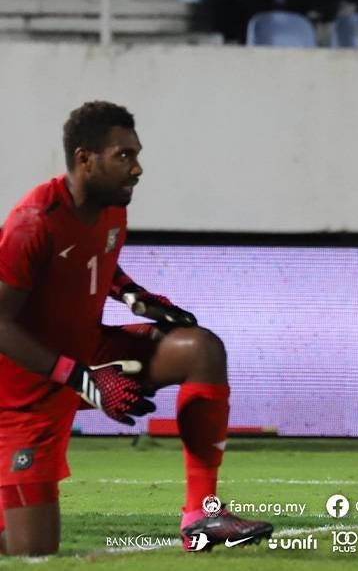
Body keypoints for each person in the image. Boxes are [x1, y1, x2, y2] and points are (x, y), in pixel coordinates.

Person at [0, 102, 271, 555]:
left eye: (136, 153)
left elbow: (97, 268)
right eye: (124, 155)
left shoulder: (111, 211)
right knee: (34, 552)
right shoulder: (32, 223)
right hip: (23, 393)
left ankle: (200, 514)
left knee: (200, 350)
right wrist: (85, 379)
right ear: (85, 159)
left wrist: (136, 297)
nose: (138, 168)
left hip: (87, 352)